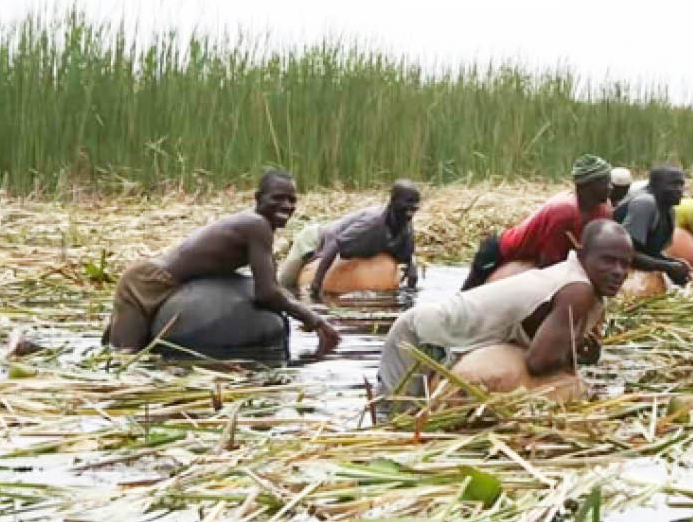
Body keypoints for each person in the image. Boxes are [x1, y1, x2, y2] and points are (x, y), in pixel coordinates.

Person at [378, 220, 633, 402]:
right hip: (420, 339)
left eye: (625, 264)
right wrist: (572, 353)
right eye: (608, 260)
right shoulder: (577, 289)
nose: (618, 271)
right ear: (582, 254)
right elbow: (538, 362)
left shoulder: (583, 287)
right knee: (396, 420)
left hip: (445, 342)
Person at [105, 171, 341, 356]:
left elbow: (273, 287)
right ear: (258, 199)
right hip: (144, 286)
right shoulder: (256, 225)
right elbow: (266, 294)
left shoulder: (261, 231)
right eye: (277, 198)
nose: (287, 206)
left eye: (292, 200)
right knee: (125, 360)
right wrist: (313, 319)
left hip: (167, 286)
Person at [461, 154, 613, 290]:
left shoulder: (604, 210)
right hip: (500, 252)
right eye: (605, 183)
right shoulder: (563, 212)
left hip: (548, 258)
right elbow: (549, 264)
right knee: (467, 297)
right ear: (586, 186)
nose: (610, 187)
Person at [277, 180, 421, 297]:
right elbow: (334, 245)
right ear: (393, 201)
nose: (411, 209)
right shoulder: (372, 223)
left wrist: (411, 271)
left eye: (415, 205)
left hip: (341, 249)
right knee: (283, 286)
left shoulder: (405, 226)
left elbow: (407, 254)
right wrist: (316, 283)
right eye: (407, 202)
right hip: (315, 239)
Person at [614, 166, 691, 285]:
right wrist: (667, 266)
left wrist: (672, 263)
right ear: (656, 185)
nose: (679, 190)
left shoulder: (669, 211)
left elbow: (650, 252)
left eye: (681, 184)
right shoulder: (645, 203)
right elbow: (625, 252)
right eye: (673, 185)